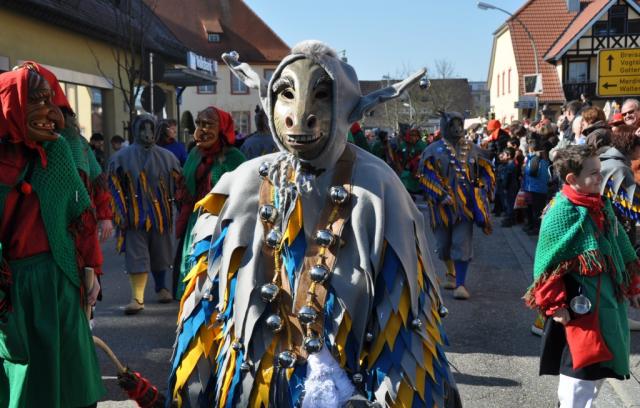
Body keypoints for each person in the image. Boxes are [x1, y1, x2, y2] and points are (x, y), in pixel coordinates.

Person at [168, 40, 459, 407]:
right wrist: (189, 393)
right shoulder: (240, 184)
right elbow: (205, 302)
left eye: (322, 95)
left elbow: (403, 328)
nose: (300, 113)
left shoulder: (379, 189)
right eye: (286, 94)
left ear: (345, 105)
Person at [0, 65, 105, 406]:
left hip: (61, 279)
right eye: (37, 101)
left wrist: (92, 269)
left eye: (50, 100)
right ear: (12, 106)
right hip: (14, 291)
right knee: (28, 382)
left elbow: (80, 214)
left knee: (73, 379)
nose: (51, 113)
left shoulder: (57, 151)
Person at [525, 145, 640, 408]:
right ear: (572, 179)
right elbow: (547, 265)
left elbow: (621, 248)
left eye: (599, 170)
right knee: (579, 374)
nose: (601, 177)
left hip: (609, 302)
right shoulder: (561, 210)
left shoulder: (601, 205)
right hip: (579, 308)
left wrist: (633, 285)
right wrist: (554, 304)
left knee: (601, 368)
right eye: (594, 173)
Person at [108, 114, 181, 314]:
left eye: (150, 129)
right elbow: (114, 188)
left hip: (161, 218)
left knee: (161, 254)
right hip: (133, 218)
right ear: (135, 130)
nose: (147, 134)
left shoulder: (168, 157)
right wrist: (120, 214)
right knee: (136, 256)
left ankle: (162, 287)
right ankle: (137, 296)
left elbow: (179, 186)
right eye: (142, 129)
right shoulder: (121, 157)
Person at [419, 111, 495, 299]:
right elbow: (425, 175)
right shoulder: (432, 150)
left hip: (465, 208)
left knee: (461, 244)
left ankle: (461, 284)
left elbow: (485, 172)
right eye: (452, 125)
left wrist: (481, 189)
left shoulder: (474, 149)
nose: (457, 129)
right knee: (443, 246)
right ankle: (451, 274)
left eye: (459, 124)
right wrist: (440, 194)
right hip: (441, 210)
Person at [173, 106, 245, 299]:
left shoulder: (234, 158)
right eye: (198, 124)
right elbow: (185, 188)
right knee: (193, 268)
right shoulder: (195, 154)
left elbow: (244, 191)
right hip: (196, 222)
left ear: (222, 127)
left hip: (223, 224)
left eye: (207, 124)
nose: (200, 131)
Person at [599, 125, 640, 331]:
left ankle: (619, 315)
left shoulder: (607, 160)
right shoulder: (619, 167)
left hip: (607, 225)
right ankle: (618, 317)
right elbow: (634, 204)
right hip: (614, 227)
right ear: (631, 146)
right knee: (618, 270)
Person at [522, 133, 550, 235]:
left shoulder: (535, 159)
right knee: (533, 209)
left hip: (536, 189)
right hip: (537, 188)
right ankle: (532, 226)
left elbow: (531, 172)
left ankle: (536, 229)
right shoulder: (541, 158)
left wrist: (524, 167)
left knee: (536, 211)